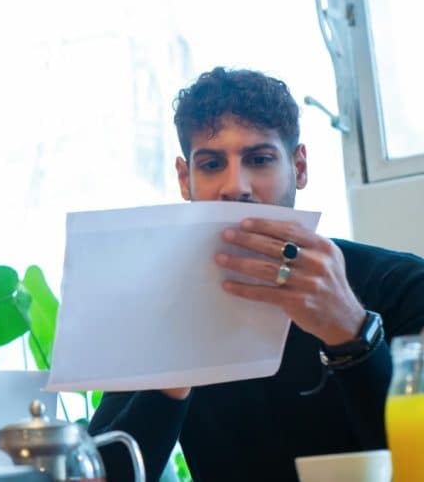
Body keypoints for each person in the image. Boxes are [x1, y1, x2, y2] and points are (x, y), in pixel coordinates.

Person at [90, 67, 424, 482]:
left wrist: (352, 333)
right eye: (211, 164)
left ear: (299, 167)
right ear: (184, 178)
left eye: (260, 159)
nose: (237, 186)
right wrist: (170, 380)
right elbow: (105, 474)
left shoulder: (404, 284)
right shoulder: (167, 309)